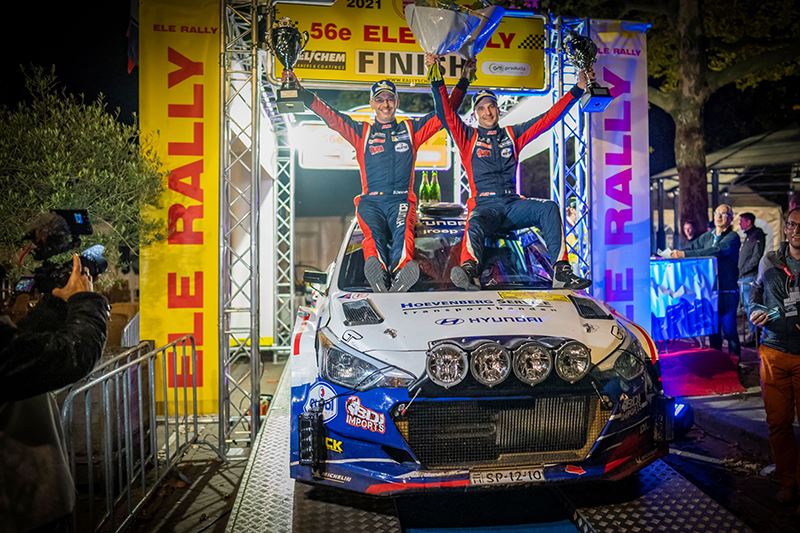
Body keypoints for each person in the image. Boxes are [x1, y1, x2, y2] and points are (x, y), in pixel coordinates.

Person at [293, 67, 471, 293]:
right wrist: (304, 95)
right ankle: (377, 270)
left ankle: (401, 271)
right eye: (380, 100)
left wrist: (463, 82)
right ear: (372, 104)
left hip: (400, 200)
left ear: (397, 102)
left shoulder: (411, 129)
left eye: (389, 99)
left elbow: (445, 112)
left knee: (403, 233)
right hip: (371, 201)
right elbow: (332, 117)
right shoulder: (362, 132)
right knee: (372, 234)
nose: (385, 104)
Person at [428, 54, 591, 291]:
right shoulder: (467, 137)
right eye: (481, 108)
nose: (487, 112)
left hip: (513, 206)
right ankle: (470, 271)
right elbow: (445, 113)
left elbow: (547, 119)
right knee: (474, 220)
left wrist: (577, 90)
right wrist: (436, 77)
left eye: (491, 106)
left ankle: (562, 272)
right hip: (485, 207)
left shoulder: (513, 135)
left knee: (548, 207)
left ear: (497, 109)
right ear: (475, 114)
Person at [1, 254, 110, 532]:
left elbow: (25, 349)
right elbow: (71, 354)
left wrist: (59, 301)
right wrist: (86, 301)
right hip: (25, 510)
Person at [749, 207, 800, 508]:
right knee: (778, 423)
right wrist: (754, 309)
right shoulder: (770, 260)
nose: (796, 231)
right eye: (792, 225)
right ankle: (787, 481)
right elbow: (755, 293)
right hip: (773, 352)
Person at [671, 204, 742, 360]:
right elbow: (691, 248)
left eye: (724, 214)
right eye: (717, 213)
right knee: (713, 331)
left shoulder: (732, 237)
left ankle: (736, 364)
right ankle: (717, 363)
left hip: (727, 291)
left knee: (730, 331)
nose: (719, 217)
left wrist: (684, 254)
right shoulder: (707, 237)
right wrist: (672, 253)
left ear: (730, 218)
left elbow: (716, 251)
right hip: (710, 293)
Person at [737, 212, 766, 346]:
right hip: (743, 277)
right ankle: (752, 335)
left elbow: (756, 257)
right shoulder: (749, 236)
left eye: (741, 221)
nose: (739, 223)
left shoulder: (757, 235)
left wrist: (742, 270)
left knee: (751, 307)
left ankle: (754, 337)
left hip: (749, 277)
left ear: (749, 222)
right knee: (747, 307)